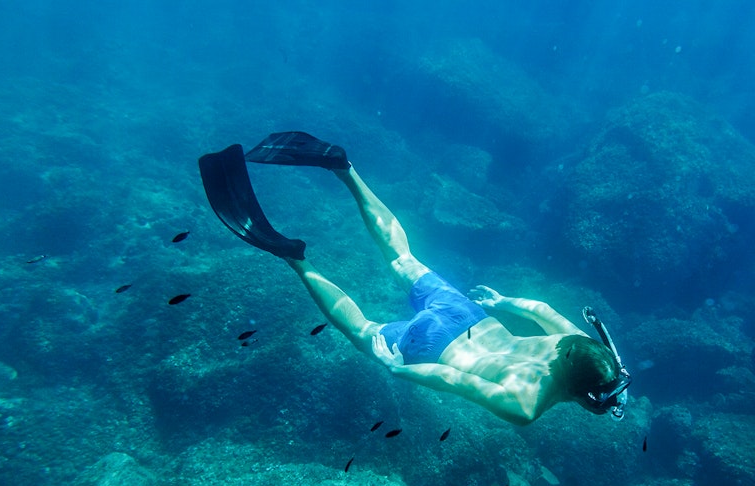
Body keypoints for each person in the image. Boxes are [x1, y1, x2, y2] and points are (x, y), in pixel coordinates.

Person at [198, 132, 630, 424]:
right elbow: (455, 379)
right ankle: (295, 259)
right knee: (362, 329)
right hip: (433, 349)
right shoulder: (528, 404)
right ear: (583, 396)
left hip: (470, 316)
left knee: (402, 257)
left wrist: (500, 302)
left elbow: (542, 309)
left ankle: (343, 168)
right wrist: (397, 370)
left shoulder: (579, 342)